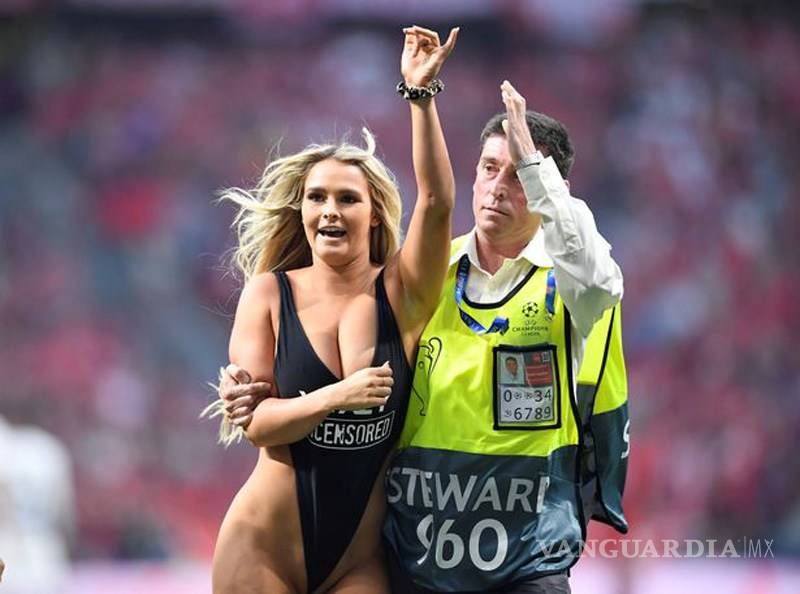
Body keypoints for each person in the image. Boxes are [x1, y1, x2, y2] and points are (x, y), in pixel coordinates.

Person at [220, 81, 629, 593]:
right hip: (421, 555)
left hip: (527, 554)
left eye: (520, 174)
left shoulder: (569, 282)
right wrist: (247, 390)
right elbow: (275, 390)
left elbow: (599, 281)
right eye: (489, 168)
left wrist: (534, 167)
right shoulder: (427, 279)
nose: (498, 187)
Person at [204, 25, 459, 594]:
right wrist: (338, 395)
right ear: (301, 212)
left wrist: (420, 96)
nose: (330, 210)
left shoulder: (403, 294)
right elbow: (259, 426)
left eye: (348, 198)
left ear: (374, 213)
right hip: (260, 548)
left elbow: (439, 203)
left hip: (356, 561)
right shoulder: (269, 294)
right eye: (316, 197)